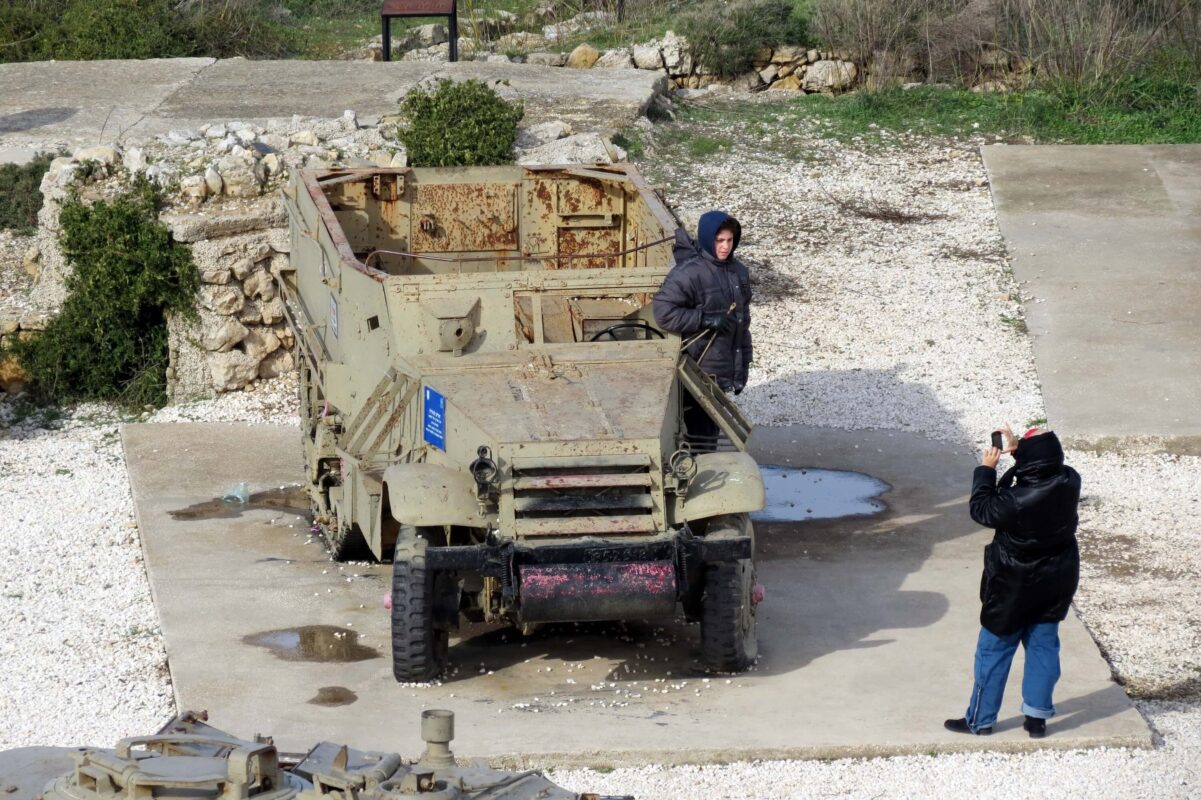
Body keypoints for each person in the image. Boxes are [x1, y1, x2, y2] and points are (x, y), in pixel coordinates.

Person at [945, 425, 1081, 739]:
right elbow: (1037, 469)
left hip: (1012, 584)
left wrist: (986, 469)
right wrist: (1020, 449)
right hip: (1057, 577)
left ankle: (980, 721)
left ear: (1028, 461)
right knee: (1044, 647)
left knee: (994, 650)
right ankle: (1037, 718)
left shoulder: (1015, 500)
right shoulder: (1070, 479)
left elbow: (981, 509)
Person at [652, 211, 752, 448]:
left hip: (722, 371)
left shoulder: (739, 272)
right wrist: (704, 318)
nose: (725, 247)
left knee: (709, 437)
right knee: (701, 437)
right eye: (719, 241)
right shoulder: (689, 273)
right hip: (697, 372)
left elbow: (743, 324)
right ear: (708, 239)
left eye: (729, 240)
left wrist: (742, 369)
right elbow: (663, 312)